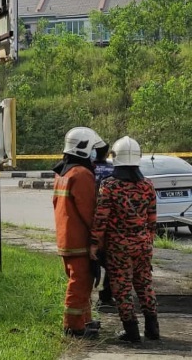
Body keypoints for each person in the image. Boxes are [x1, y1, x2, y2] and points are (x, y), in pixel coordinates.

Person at [90, 136, 159, 343]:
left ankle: (131, 332)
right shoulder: (148, 185)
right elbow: (152, 220)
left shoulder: (110, 186)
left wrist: (94, 243)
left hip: (119, 248)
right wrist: (147, 242)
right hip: (143, 246)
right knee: (145, 285)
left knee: (122, 289)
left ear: (115, 158)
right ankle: (152, 329)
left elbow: (101, 219)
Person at [53, 127, 102, 338]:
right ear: (84, 148)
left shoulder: (63, 172)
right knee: (80, 283)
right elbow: (89, 211)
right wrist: (97, 240)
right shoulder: (81, 174)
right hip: (80, 241)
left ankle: (85, 321)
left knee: (82, 283)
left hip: (66, 238)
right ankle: (73, 327)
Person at [92, 140, 115, 306]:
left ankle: (86, 296)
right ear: (107, 153)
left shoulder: (87, 169)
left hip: (91, 218)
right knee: (110, 262)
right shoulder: (113, 169)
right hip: (110, 221)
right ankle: (106, 297)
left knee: (91, 260)